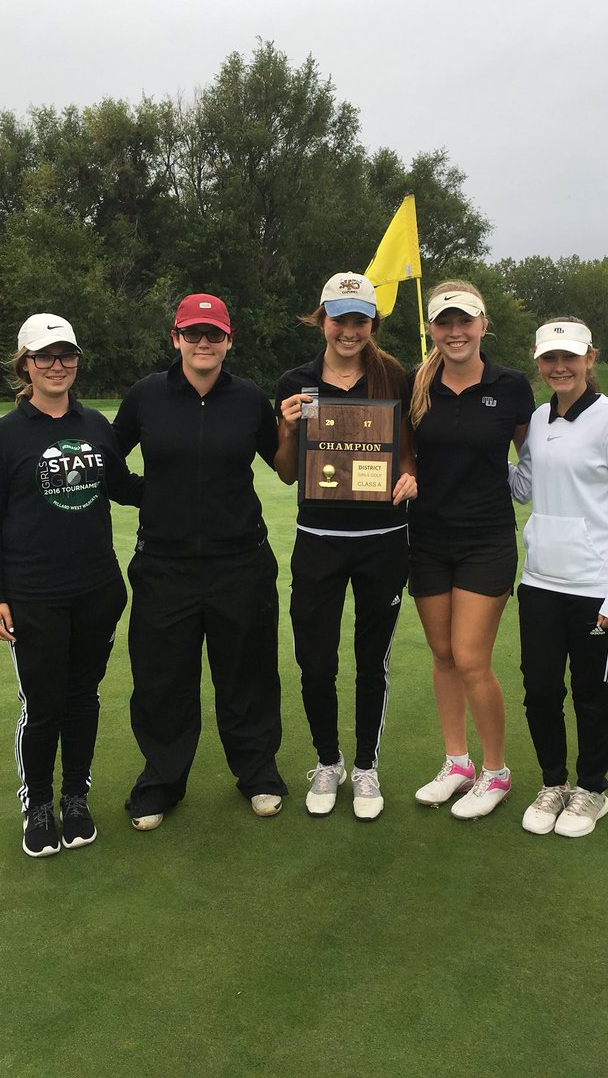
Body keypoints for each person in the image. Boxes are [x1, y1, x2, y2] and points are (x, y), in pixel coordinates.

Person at [113, 293, 287, 829]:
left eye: (214, 335)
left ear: (229, 340)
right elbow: (109, 464)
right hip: (164, 565)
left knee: (248, 673)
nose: (204, 343)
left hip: (241, 560)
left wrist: (295, 431)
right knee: (163, 678)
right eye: (193, 334)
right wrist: (157, 495)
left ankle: (257, 774)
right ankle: (162, 780)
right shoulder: (146, 396)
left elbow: (282, 467)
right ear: (176, 339)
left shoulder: (249, 398)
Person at [0, 313, 140, 858]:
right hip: (33, 596)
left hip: (96, 589)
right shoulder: (4, 435)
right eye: (44, 356)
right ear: (26, 364)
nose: (56, 365)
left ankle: (74, 798)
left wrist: (189, 482)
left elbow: (121, 487)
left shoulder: (95, 425)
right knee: (43, 705)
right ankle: (38, 804)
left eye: (66, 355)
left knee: (81, 698)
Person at [274, 274, 417, 821]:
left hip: (383, 541)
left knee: (369, 660)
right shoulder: (298, 382)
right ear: (323, 319)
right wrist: (287, 432)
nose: (349, 330)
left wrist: (410, 477)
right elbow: (288, 473)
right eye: (340, 319)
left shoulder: (393, 377)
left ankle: (365, 767)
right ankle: (328, 761)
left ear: (372, 324)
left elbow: (407, 451)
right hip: (318, 540)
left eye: (360, 320)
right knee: (315, 659)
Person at [510, 317, 608, 838]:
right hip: (541, 582)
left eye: (570, 357)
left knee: (592, 694)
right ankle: (553, 783)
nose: (559, 367)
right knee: (540, 690)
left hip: (597, 589)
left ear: (591, 358)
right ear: (538, 361)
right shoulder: (539, 417)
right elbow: (523, 486)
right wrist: (467, 459)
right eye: (550, 358)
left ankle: (591, 789)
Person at [409, 282, 535, 819]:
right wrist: (409, 475)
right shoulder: (417, 385)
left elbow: (532, 463)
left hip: (485, 538)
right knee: (442, 655)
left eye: (465, 322)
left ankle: (496, 770)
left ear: (483, 324)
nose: (455, 332)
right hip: (427, 538)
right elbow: (407, 455)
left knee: (471, 658)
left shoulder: (511, 386)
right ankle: (457, 763)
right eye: (444, 323)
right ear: (432, 329)